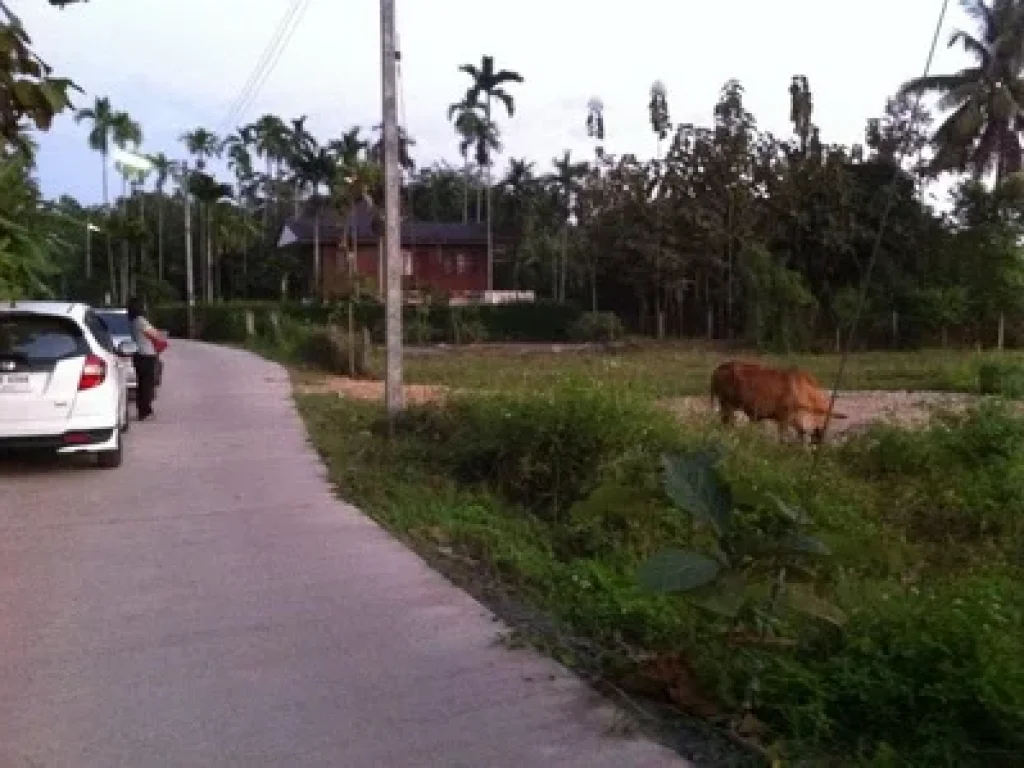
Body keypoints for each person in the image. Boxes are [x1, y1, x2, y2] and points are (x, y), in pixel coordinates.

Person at [126, 297, 164, 421]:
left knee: (142, 384)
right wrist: (158, 333)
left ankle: (142, 410)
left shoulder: (132, 320)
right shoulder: (141, 320)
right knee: (147, 384)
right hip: (146, 355)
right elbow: (155, 335)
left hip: (138, 355)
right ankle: (145, 411)